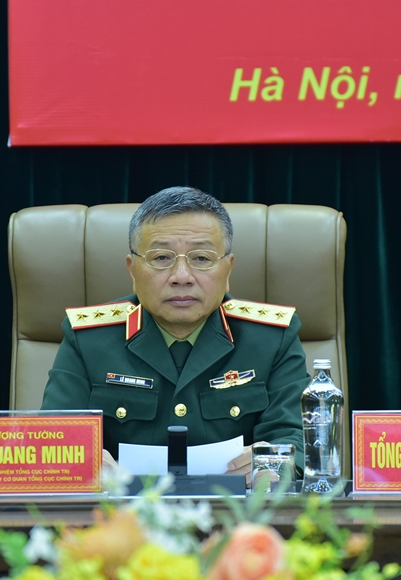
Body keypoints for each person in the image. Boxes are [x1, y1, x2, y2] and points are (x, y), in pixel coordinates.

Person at [40, 186, 309, 484]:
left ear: (228, 269)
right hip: (120, 509)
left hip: (239, 507)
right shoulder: (88, 339)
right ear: (132, 269)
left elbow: (296, 437)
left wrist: (271, 464)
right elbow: (56, 438)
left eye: (202, 258)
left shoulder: (272, 338)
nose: (182, 276)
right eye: (161, 258)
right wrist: (84, 462)